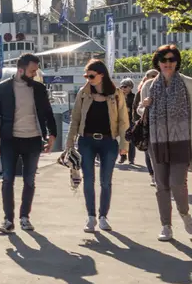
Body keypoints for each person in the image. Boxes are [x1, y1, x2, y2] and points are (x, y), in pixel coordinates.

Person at [0, 53, 58, 234]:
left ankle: (25, 217)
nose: (35, 74)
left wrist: (53, 134)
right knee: (7, 179)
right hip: (10, 141)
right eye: (32, 70)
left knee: (29, 180)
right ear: (21, 70)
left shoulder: (39, 89)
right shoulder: (2, 89)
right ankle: (8, 220)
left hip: (33, 140)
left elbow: (48, 113)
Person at [66, 60, 128, 232]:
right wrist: (69, 143)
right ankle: (91, 217)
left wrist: (125, 145)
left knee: (106, 182)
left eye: (91, 76)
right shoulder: (83, 93)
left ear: (102, 74)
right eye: (86, 76)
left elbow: (124, 121)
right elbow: (75, 119)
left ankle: (103, 217)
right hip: (86, 141)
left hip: (109, 142)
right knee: (88, 180)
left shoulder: (116, 94)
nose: (88, 79)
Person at [140, 44, 192, 241]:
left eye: (171, 60)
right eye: (164, 60)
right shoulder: (149, 86)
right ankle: (166, 226)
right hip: (157, 140)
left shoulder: (188, 83)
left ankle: (185, 215)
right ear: (158, 63)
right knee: (162, 185)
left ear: (177, 62)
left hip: (182, 139)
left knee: (177, 183)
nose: (167, 64)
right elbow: (140, 112)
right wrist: (142, 106)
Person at [135, 69, 160, 183]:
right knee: (149, 155)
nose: (155, 77)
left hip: (166, 131)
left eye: (156, 75)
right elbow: (138, 108)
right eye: (152, 76)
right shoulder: (144, 88)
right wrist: (145, 108)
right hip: (147, 128)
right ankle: (154, 175)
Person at [119, 78, 136, 165]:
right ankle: (123, 156)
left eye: (125, 86)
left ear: (130, 87)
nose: (123, 88)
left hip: (131, 121)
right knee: (122, 139)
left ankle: (131, 159)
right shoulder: (118, 96)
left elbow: (135, 108)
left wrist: (129, 109)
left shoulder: (134, 97)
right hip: (121, 121)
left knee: (131, 140)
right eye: (121, 86)